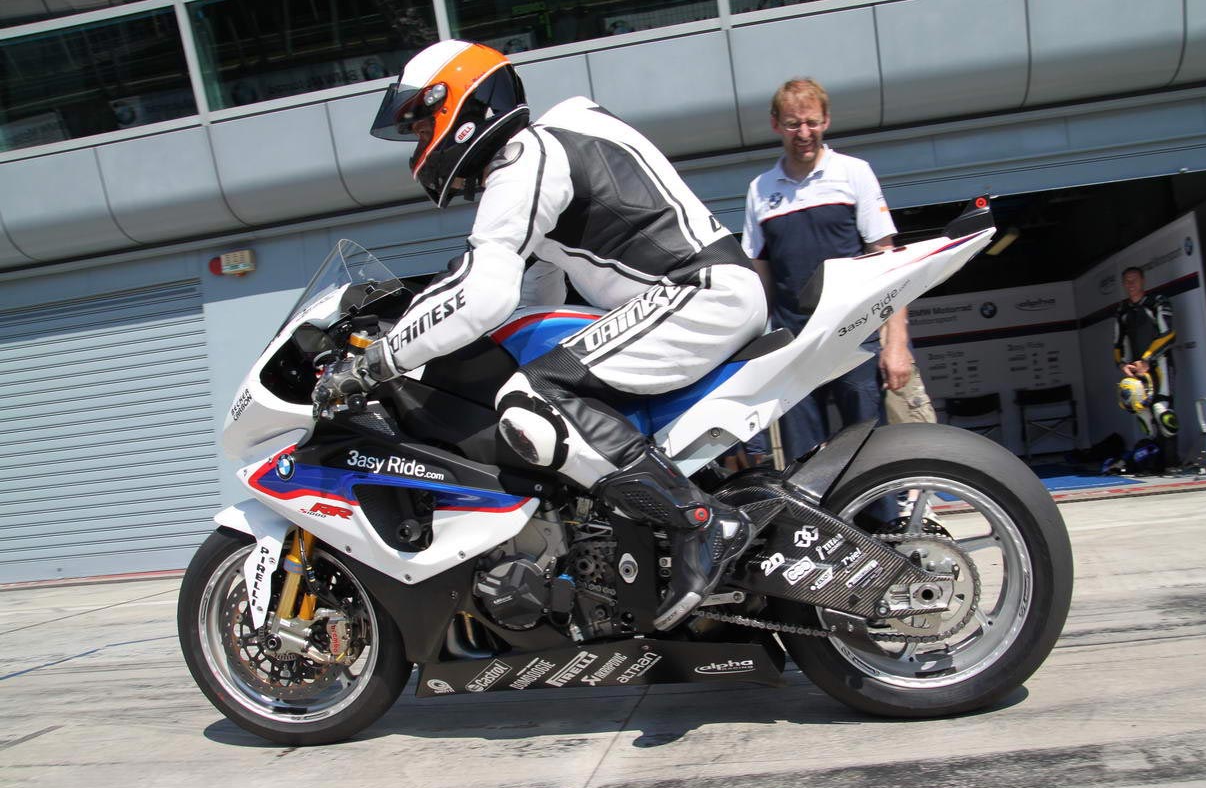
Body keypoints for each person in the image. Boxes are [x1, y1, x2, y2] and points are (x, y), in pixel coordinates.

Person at [312, 41, 767, 631]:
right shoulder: (566, 135)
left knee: (533, 400)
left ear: (459, 105)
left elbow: (484, 293)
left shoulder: (527, 158)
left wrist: (376, 362)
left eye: (423, 127)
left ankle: (699, 522)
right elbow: (535, 293)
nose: (422, 146)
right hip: (702, 294)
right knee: (545, 378)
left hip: (697, 296)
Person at [740, 78, 912, 463]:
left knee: (871, 455)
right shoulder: (760, 189)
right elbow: (760, 281)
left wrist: (897, 344)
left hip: (855, 336)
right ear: (776, 124)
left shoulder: (854, 173)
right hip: (795, 346)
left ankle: (879, 506)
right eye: (793, 124)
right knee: (804, 465)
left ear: (826, 121)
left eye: (812, 122)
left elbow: (889, 264)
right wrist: (752, 350)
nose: (804, 133)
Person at [1114, 265, 1178, 471]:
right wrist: (1122, 364)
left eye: (1134, 279)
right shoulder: (1122, 310)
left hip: (1160, 366)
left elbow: (1168, 335)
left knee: (1162, 412)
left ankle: (1172, 464)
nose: (1131, 284)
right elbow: (1118, 342)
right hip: (1136, 370)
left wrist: (1147, 359)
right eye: (1127, 281)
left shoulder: (1157, 302)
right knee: (1144, 415)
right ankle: (1154, 462)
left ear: (1143, 281)